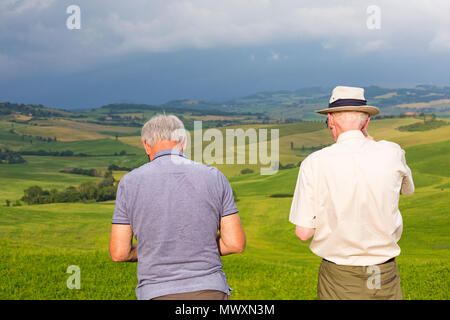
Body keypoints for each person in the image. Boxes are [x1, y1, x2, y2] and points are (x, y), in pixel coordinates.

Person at [289, 86, 415, 300]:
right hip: (385, 273)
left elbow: (303, 233)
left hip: (340, 277)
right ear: (366, 122)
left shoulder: (314, 162)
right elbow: (408, 190)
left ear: (330, 120)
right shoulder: (393, 152)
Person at [109, 114, 246, 300]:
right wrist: (197, 247)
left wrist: (157, 249)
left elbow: (119, 253)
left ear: (146, 145)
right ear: (184, 143)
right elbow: (235, 244)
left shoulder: (129, 183)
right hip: (211, 290)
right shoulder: (214, 177)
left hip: (156, 293)